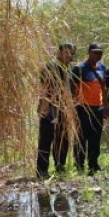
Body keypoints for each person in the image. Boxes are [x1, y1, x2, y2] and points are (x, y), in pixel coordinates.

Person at [36, 42, 76, 179]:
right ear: (59, 52)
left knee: (63, 138)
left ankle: (60, 166)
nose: (69, 56)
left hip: (63, 109)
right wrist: (44, 108)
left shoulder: (68, 68)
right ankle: (42, 170)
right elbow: (44, 89)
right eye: (66, 53)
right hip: (50, 108)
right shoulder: (50, 67)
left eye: (72, 54)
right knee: (46, 140)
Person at [71, 43, 107, 175]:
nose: (97, 55)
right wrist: (74, 109)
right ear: (89, 53)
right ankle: (79, 165)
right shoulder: (79, 68)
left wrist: (106, 106)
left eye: (100, 53)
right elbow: (72, 90)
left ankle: (93, 164)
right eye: (95, 52)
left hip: (98, 108)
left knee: (96, 137)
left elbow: (103, 87)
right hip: (82, 108)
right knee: (81, 137)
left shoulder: (102, 67)